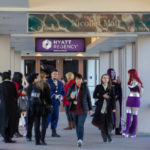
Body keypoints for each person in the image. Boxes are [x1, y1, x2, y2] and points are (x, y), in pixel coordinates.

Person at [66, 73, 93, 147]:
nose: (78, 81)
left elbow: (88, 99)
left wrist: (90, 109)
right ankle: (79, 138)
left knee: (80, 125)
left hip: (83, 109)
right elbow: (67, 97)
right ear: (75, 80)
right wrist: (71, 98)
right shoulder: (72, 88)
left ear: (82, 80)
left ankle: (80, 140)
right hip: (74, 110)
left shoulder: (85, 88)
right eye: (77, 79)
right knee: (77, 125)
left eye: (80, 79)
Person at [92, 74, 116, 143]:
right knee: (102, 123)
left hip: (109, 108)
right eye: (104, 78)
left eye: (107, 78)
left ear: (109, 80)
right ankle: (104, 137)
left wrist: (114, 107)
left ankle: (109, 135)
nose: (105, 79)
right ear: (102, 79)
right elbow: (94, 95)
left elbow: (113, 99)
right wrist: (102, 96)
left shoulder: (111, 87)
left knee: (109, 123)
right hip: (101, 108)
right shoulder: (98, 87)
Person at [32, 72, 52, 145]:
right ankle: (42, 140)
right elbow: (48, 98)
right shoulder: (46, 85)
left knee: (36, 124)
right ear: (44, 78)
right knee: (43, 124)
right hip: (44, 107)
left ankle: (37, 140)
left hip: (36, 107)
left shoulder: (34, 85)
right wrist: (50, 104)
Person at [122, 69, 143, 138]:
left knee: (134, 116)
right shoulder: (130, 82)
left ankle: (133, 132)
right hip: (129, 98)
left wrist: (139, 86)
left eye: (129, 74)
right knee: (128, 115)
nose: (128, 75)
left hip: (136, 99)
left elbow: (141, 94)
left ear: (132, 74)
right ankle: (127, 130)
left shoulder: (139, 82)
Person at [0, 71, 18, 143]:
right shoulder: (12, 85)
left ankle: (5, 137)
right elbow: (16, 96)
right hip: (11, 105)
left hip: (3, 106)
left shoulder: (0, 85)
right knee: (11, 121)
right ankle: (9, 137)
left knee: (3, 121)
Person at [46, 69, 65, 137]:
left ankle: (54, 132)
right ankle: (43, 131)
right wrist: (54, 96)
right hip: (48, 103)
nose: (55, 75)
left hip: (56, 103)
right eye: (54, 74)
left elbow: (63, 92)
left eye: (56, 74)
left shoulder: (60, 83)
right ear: (51, 74)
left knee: (55, 117)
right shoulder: (47, 82)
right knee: (48, 118)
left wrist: (61, 97)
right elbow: (46, 91)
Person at [107, 68, 122, 135]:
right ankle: (109, 128)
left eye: (114, 72)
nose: (113, 74)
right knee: (109, 115)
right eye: (111, 72)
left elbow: (119, 91)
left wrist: (119, 84)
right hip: (109, 101)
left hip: (116, 101)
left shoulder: (117, 82)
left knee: (117, 115)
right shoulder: (107, 81)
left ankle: (117, 129)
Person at [12, 72, 27, 137]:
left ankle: (16, 132)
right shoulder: (16, 83)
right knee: (16, 118)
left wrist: (24, 80)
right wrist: (21, 92)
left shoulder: (16, 83)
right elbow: (17, 92)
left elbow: (26, 86)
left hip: (16, 102)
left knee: (17, 118)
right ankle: (15, 132)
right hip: (16, 102)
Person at [26, 73, 38, 141]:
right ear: (34, 80)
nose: (37, 79)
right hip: (35, 107)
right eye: (36, 78)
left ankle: (28, 136)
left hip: (29, 106)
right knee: (36, 122)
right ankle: (36, 136)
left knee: (29, 122)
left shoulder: (28, 87)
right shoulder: (35, 87)